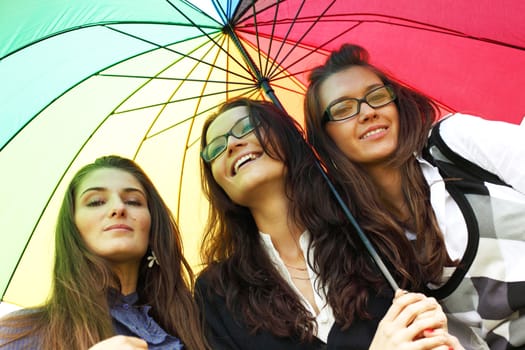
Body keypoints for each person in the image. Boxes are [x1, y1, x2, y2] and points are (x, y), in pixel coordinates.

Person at [304, 43, 525, 349]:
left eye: (377, 96)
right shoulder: (374, 252)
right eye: (342, 109)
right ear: (325, 137)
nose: (368, 112)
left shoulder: (452, 145)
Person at [195, 97, 463, 349]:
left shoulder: (371, 233)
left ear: (286, 137)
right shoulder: (216, 293)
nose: (231, 145)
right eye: (215, 148)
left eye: (246, 127)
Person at [0, 155, 208, 350]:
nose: (118, 208)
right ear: (73, 227)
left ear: (153, 225)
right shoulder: (17, 334)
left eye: (133, 201)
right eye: (96, 202)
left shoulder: (199, 326)